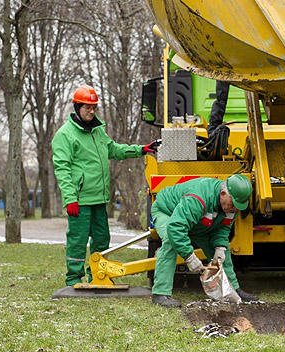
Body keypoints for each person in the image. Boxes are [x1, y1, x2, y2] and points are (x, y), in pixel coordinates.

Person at [52, 85, 158, 287]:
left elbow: (115, 150)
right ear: (77, 107)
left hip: (99, 199)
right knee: (78, 240)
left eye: (94, 107)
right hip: (80, 201)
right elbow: (62, 169)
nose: (91, 111)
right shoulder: (65, 135)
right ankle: (73, 279)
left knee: (102, 240)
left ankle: (97, 276)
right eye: (87, 107)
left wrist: (141, 149)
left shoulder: (98, 131)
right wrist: (70, 198)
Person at [150, 174, 259, 307]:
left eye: (238, 206)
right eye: (233, 205)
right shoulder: (198, 199)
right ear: (223, 194)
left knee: (222, 254)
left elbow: (222, 228)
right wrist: (189, 256)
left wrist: (220, 247)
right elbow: (175, 227)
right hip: (167, 211)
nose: (235, 209)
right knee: (170, 240)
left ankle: (234, 290)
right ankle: (160, 294)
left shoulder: (234, 205)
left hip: (196, 222)